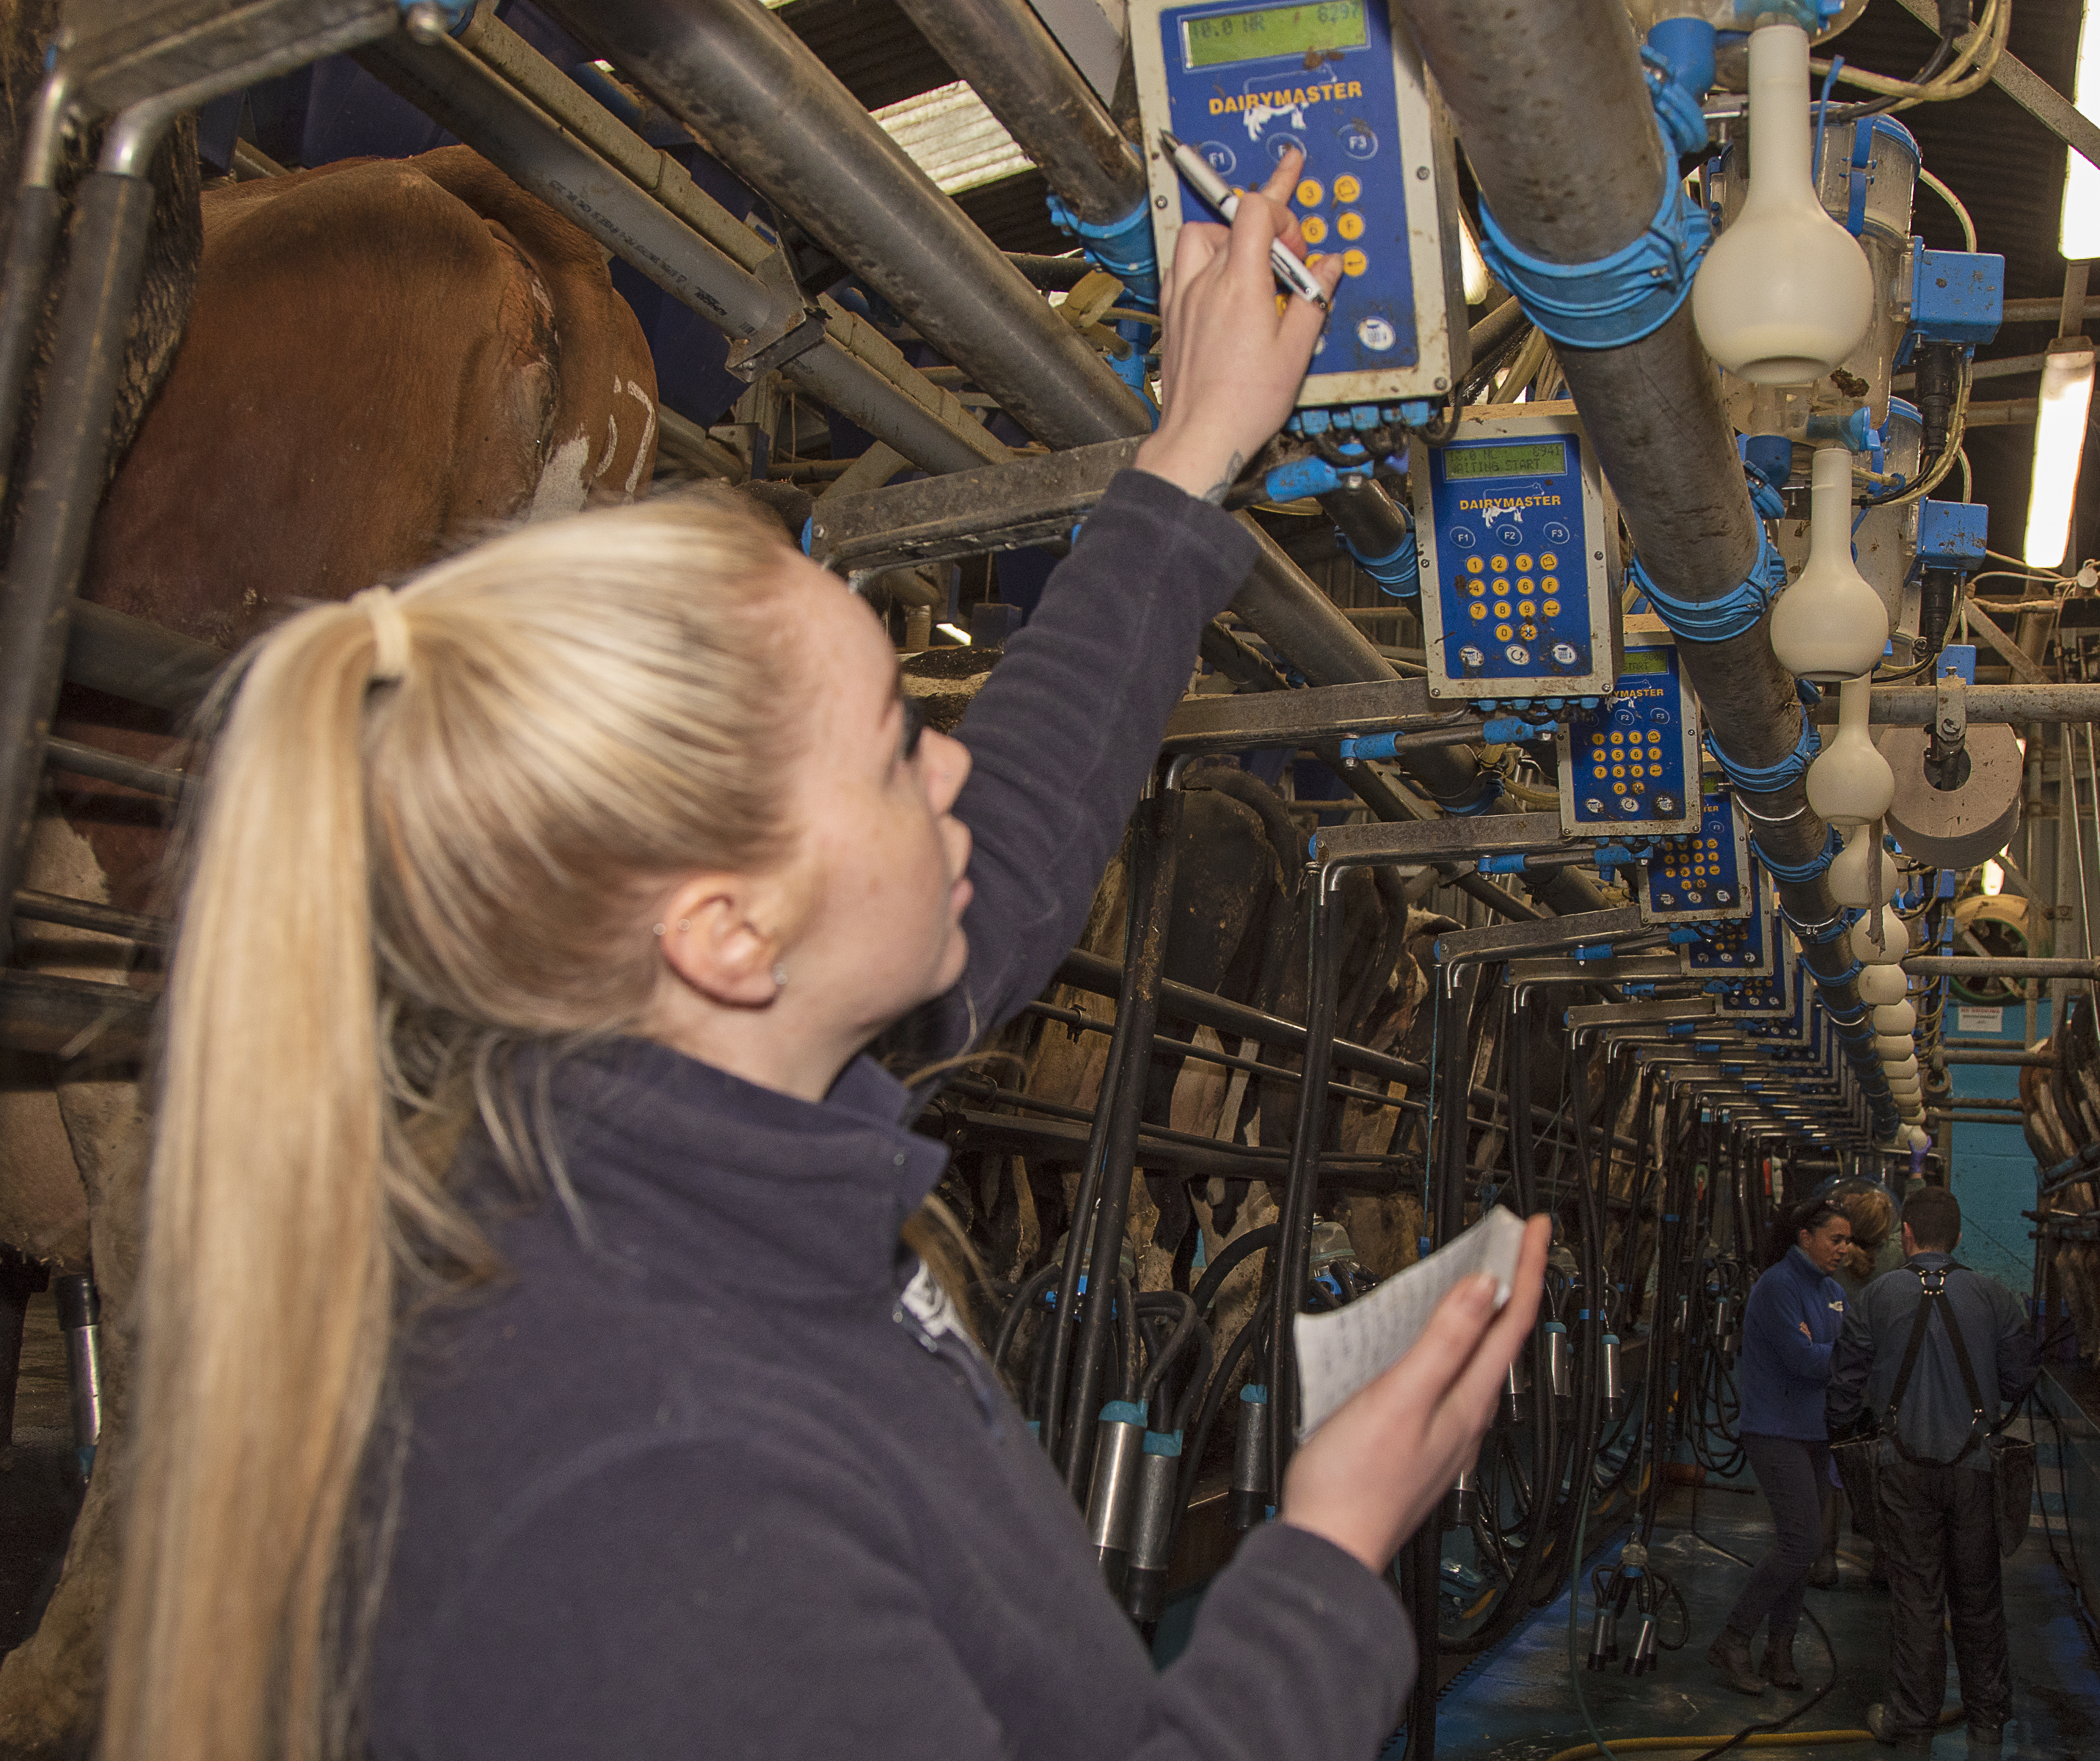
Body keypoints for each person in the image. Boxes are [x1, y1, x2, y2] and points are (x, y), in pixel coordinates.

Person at [101, 147, 1555, 1761]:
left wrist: (1193, 448)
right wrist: (1330, 1557)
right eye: (891, 749)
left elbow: (1021, 820)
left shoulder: (696, 1141)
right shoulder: (637, 1479)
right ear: (727, 935)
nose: (951, 773)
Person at [1827, 1185, 2038, 1755]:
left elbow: (1845, 1387)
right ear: (1960, 1237)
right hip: (1976, 1471)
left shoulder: (1875, 1298)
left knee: (1916, 1601)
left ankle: (1911, 1723)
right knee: (1979, 1601)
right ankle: (1987, 1729)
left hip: (1901, 1471)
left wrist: (1845, 1432)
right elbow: (2021, 1377)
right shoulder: (1996, 1298)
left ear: (1908, 1237)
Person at [1706, 1195, 1854, 1697]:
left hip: (1815, 1431)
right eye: (1836, 1239)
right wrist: (1838, 1355)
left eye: (1848, 1240)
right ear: (1804, 1237)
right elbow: (1803, 1361)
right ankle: (1734, 1637)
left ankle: (1779, 1649)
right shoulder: (1777, 1286)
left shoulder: (1833, 1292)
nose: (1845, 1249)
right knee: (1802, 1541)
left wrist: (1830, 1352)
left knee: (1802, 1545)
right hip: (1774, 1429)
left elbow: (1831, 1357)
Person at [1808, 1181, 1900, 1589]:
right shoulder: (1900, 1267)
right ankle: (1883, 1563)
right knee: (1882, 1479)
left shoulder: (1834, 1269)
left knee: (1831, 1477)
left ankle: (1825, 1562)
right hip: (1883, 1392)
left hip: (1839, 1386)